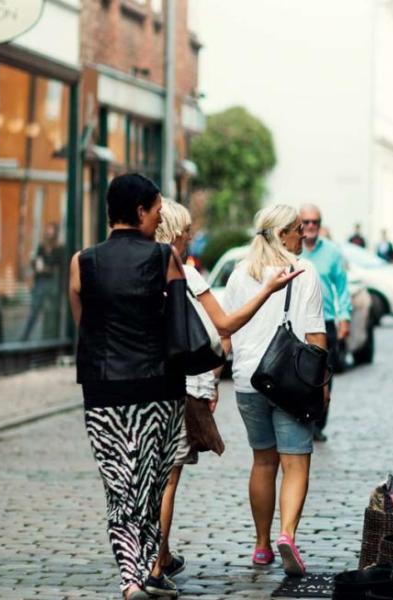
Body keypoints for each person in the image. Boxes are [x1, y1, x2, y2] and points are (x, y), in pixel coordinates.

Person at [151, 200, 297, 581]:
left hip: (144, 382)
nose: (191, 239)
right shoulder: (185, 274)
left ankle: (158, 553)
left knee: (149, 476)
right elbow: (224, 326)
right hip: (183, 385)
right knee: (168, 478)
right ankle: (156, 562)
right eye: (186, 232)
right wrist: (267, 290)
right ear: (173, 234)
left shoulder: (139, 270)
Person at [67, 173, 186, 600]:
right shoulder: (163, 258)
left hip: (103, 390)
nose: (159, 219)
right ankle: (143, 573)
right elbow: (178, 324)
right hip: (157, 388)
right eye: (156, 210)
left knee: (119, 484)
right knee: (151, 483)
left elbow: (85, 325)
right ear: (139, 212)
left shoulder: (83, 261)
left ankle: (130, 579)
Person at [220, 204, 328, 577]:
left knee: (263, 461)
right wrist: (322, 383)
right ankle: (287, 535)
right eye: (298, 229)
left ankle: (262, 545)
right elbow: (315, 333)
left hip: (249, 380)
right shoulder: (304, 271)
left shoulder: (239, 274)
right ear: (281, 234)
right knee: (295, 461)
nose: (304, 235)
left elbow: (227, 331)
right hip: (291, 381)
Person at [300, 203, 352, 442]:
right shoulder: (291, 249)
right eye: (307, 222)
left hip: (326, 321)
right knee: (298, 373)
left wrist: (345, 317)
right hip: (297, 322)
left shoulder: (332, 252)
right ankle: (301, 420)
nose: (311, 226)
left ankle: (318, 424)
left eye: (315, 222)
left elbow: (342, 287)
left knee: (324, 375)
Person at [21, 222, 66, 341]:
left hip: (53, 284)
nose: (49, 233)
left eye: (51, 230)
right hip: (41, 282)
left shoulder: (60, 249)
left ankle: (51, 338)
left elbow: (59, 268)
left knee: (52, 312)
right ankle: (25, 337)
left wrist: (47, 269)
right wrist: (37, 266)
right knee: (34, 310)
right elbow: (36, 263)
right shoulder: (41, 247)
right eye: (48, 230)